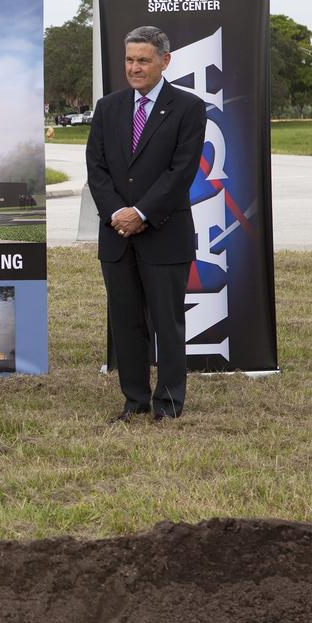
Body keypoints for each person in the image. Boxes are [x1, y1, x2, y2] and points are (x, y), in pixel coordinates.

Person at [85, 25, 207, 423]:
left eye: (143, 60)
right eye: (129, 60)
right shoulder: (108, 108)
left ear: (164, 61)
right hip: (116, 235)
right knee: (125, 321)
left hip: (164, 233)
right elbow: (97, 168)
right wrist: (117, 213)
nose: (134, 68)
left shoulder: (188, 109)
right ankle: (133, 400)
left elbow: (180, 172)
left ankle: (168, 404)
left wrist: (141, 213)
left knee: (166, 322)